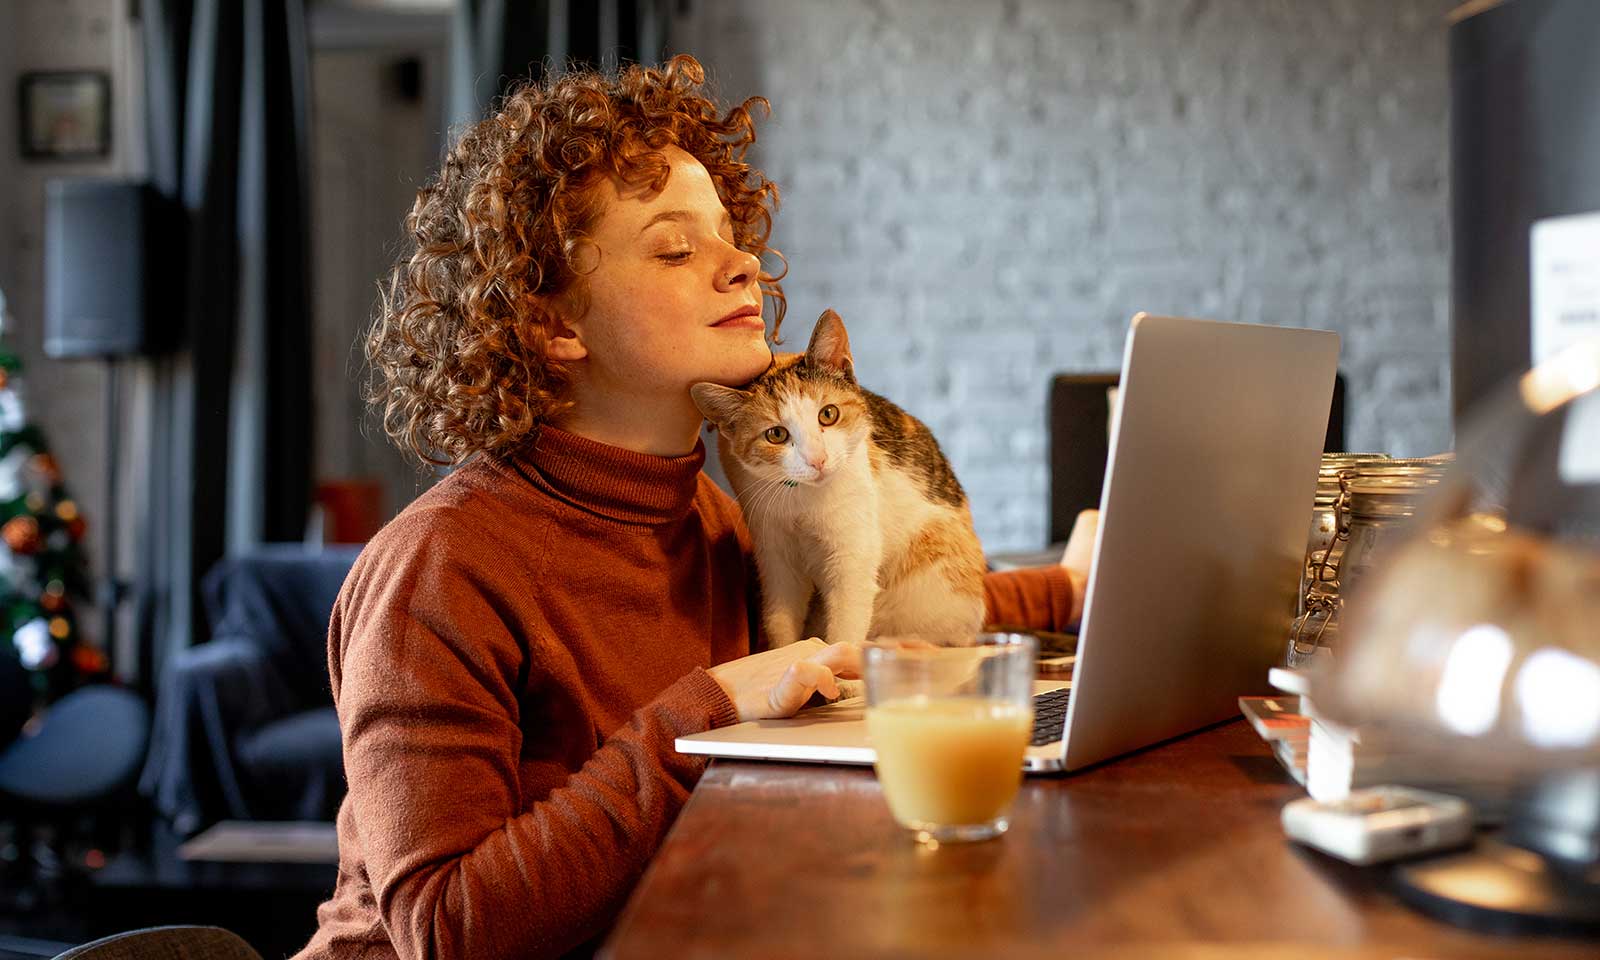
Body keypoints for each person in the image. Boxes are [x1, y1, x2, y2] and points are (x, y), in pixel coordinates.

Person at [293, 55, 1085, 960]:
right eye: (676, 247)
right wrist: (701, 710)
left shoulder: (708, 511)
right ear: (555, 324)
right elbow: (446, 929)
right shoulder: (437, 571)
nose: (741, 260)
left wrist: (1075, 589)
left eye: (730, 233)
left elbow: (879, 585)